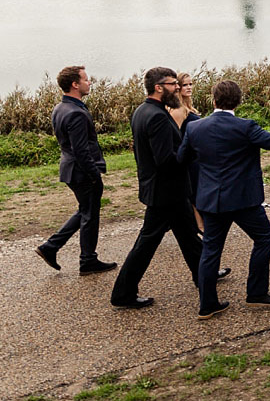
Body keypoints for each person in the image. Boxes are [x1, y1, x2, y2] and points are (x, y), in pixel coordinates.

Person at [177, 80, 270, 319]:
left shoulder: (195, 128)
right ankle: (256, 294)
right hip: (244, 200)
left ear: (214, 101)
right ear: (239, 101)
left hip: (211, 199)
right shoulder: (245, 127)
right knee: (264, 238)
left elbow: (182, 159)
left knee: (211, 250)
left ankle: (207, 304)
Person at [111, 67, 218, 309]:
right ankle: (123, 293)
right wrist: (193, 152)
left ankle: (205, 278)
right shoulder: (157, 116)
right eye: (173, 84)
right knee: (146, 243)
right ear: (158, 88)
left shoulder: (143, 111)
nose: (178, 88)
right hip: (166, 191)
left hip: (166, 189)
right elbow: (165, 160)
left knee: (189, 236)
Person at [35, 66, 116, 276]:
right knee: (90, 214)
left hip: (70, 168)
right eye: (86, 80)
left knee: (85, 211)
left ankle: (50, 247)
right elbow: (81, 150)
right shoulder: (76, 113)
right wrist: (94, 175)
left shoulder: (60, 108)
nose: (89, 83)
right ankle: (87, 260)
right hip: (81, 172)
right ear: (75, 84)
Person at [169, 72, 205, 232]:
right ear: (178, 87)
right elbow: (174, 135)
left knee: (199, 190)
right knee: (195, 192)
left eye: (191, 84)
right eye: (185, 85)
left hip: (197, 154)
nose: (189, 87)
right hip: (189, 157)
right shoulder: (178, 109)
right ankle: (199, 225)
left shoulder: (189, 106)